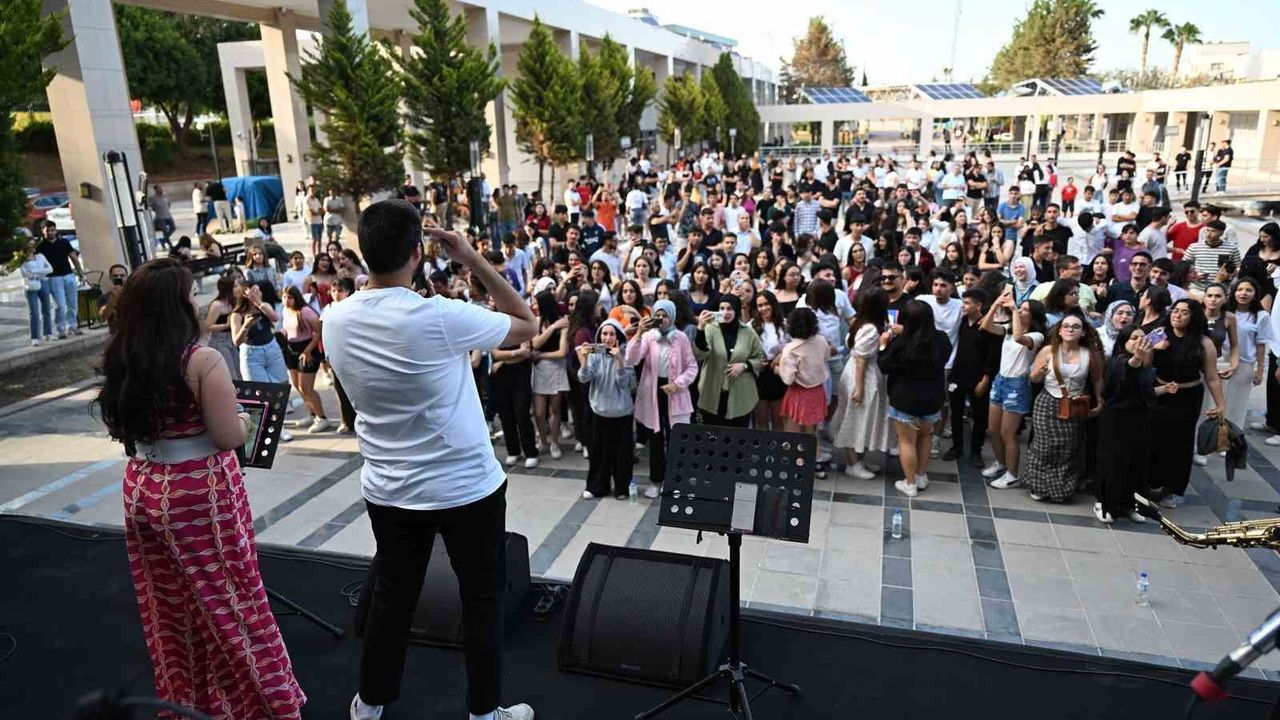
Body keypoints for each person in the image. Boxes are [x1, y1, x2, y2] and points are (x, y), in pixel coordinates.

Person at [321, 201, 538, 720]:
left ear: (362, 252)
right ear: (419, 252)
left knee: (391, 599)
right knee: (481, 601)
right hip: (467, 487)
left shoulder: (335, 318)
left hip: (390, 487)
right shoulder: (439, 315)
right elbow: (526, 323)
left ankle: (370, 705)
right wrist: (473, 258)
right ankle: (484, 713)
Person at [94, 258, 305, 719]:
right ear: (177, 305)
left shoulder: (123, 354)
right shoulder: (201, 360)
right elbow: (228, 436)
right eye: (191, 294)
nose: (197, 301)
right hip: (197, 495)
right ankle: (266, 705)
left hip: (144, 487)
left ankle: (189, 704)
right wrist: (245, 417)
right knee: (233, 603)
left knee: (171, 608)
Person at [1148, 299, 1226, 509]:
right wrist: (1152, 348)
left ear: (1193, 317)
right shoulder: (1159, 334)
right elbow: (1141, 361)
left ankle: (1173, 489)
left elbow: (1212, 377)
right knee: (1154, 438)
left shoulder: (1204, 342)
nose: (1178, 315)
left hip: (1188, 396)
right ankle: (1152, 482)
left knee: (1180, 443)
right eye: (1175, 310)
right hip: (1160, 393)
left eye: (1184, 312)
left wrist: (1220, 405)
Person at [1019, 311, 1104, 502]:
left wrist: (1099, 401)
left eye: (1075, 326)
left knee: (1068, 449)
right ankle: (1039, 486)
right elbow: (1033, 378)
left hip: (1074, 405)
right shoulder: (1048, 351)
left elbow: (1097, 379)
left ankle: (1061, 490)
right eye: (1066, 326)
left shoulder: (1090, 355)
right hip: (1047, 402)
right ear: (1059, 331)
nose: (1070, 329)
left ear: (1083, 332)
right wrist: (1039, 374)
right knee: (1043, 447)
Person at [1094, 326, 1174, 524]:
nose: (1139, 341)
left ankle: (1129, 505)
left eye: (1143, 338)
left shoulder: (1146, 368)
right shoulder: (1117, 362)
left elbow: (1145, 393)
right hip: (1116, 420)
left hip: (1139, 420)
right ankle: (1105, 504)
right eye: (1134, 338)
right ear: (1124, 342)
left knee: (1136, 463)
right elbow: (1126, 373)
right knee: (1113, 463)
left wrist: (1165, 389)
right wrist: (1137, 358)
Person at [878, 299, 951, 497]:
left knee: (907, 441)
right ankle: (920, 475)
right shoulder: (941, 339)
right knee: (926, 436)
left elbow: (884, 365)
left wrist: (883, 345)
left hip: (905, 399)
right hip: (932, 398)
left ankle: (909, 483)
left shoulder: (901, 343)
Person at [626, 298, 698, 499]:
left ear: (672, 316)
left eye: (665, 315)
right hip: (653, 392)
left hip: (675, 391)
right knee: (655, 438)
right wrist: (638, 334)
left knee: (676, 438)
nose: (661, 319)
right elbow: (632, 359)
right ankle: (655, 480)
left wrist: (678, 383)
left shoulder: (681, 338)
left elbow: (692, 366)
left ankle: (675, 480)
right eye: (657, 315)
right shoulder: (649, 336)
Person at [980, 291, 1048, 487]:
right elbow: (985, 326)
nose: (1020, 310)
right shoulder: (1009, 329)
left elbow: (1019, 337)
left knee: (1008, 433)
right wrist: (996, 304)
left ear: (1034, 316)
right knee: (993, 429)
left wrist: (1014, 310)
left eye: (1025, 309)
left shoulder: (1036, 336)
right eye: (1020, 308)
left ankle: (1012, 475)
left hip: (1017, 385)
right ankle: (1001, 463)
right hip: (1000, 380)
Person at [833, 287, 890, 478]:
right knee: (854, 419)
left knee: (862, 419)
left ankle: (858, 460)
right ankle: (852, 463)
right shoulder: (870, 329)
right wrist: (859, 388)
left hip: (859, 373)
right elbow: (861, 360)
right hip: (862, 376)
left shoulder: (862, 323)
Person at [576, 319, 636, 500]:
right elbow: (583, 378)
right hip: (599, 411)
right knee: (598, 453)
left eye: (611, 334)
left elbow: (624, 383)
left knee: (622, 454)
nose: (608, 338)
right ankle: (597, 486)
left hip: (622, 412)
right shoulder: (595, 355)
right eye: (604, 334)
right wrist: (585, 359)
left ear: (618, 336)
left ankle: (622, 488)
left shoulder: (626, 354)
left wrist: (619, 360)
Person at [944, 288, 998, 464]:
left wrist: (986, 379)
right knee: (956, 413)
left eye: (967, 303)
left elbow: (992, 356)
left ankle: (976, 451)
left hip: (978, 377)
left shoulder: (988, 327)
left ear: (978, 305)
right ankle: (957, 447)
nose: (963, 306)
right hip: (958, 375)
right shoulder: (961, 322)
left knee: (979, 416)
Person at [693, 295, 764, 427]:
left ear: (736, 310)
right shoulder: (710, 329)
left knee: (737, 434)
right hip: (713, 392)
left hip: (741, 394)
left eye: (729, 308)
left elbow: (760, 358)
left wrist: (745, 366)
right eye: (722, 308)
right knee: (713, 434)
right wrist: (700, 329)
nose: (725, 312)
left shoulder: (748, 332)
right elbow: (699, 354)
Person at [282, 286, 331, 433]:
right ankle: (312, 413)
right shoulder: (285, 311)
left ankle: (322, 418)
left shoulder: (305, 311)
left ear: (296, 298)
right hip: (291, 350)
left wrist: (308, 350)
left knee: (306, 387)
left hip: (307, 350)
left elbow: (318, 332)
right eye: (284, 297)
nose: (286, 300)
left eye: (290, 297)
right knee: (297, 386)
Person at [529, 291, 570, 460]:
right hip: (539, 371)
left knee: (555, 410)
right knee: (539, 412)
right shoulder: (537, 321)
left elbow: (562, 352)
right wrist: (552, 327)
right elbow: (535, 343)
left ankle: (554, 442)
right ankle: (543, 440)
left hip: (556, 369)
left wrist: (541, 356)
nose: (534, 306)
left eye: (537, 303)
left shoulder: (564, 323)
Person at [777, 307, 830, 435]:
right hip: (818, 391)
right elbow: (826, 357)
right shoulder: (821, 341)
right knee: (811, 435)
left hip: (798, 394)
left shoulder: (791, 349)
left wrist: (777, 369)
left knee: (793, 435)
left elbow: (788, 379)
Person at [36, 220, 84, 338]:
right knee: (60, 305)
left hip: (68, 275)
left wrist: (80, 273)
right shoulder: (40, 246)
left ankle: (72, 326)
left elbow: (73, 257)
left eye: (52, 230)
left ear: (56, 230)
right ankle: (60, 329)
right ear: (43, 231)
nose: (50, 233)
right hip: (53, 278)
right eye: (47, 231)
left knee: (72, 303)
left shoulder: (63, 242)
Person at [752, 291, 790, 429]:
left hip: (777, 372)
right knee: (761, 420)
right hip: (759, 374)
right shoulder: (751, 326)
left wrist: (781, 356)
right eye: (760, 305)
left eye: (766, 304)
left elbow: (793, 346)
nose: (763, 308)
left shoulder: (784, 325)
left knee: (778, 419)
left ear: (773, 304)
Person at [204, 274, 243, 383]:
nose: (238, 288)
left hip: (232, 340)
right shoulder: (216, 305)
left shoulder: (234, 302)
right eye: (235, 286)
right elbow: (208, 326)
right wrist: (226, 325)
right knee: (230, 372)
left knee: (239, 369)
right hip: (220, 341)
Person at [19, 238, 53, 346]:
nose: (32, 247)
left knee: (46, 309)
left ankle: (48, 332)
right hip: (31, 285)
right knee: (34, 312)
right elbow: (25, 274)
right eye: (30, 245)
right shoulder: (22, 260)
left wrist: (34, 271)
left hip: (43, 282)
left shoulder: (40, 256)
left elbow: (50, 269)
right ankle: (34, 336)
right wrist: (40, 272)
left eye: (33, 245)